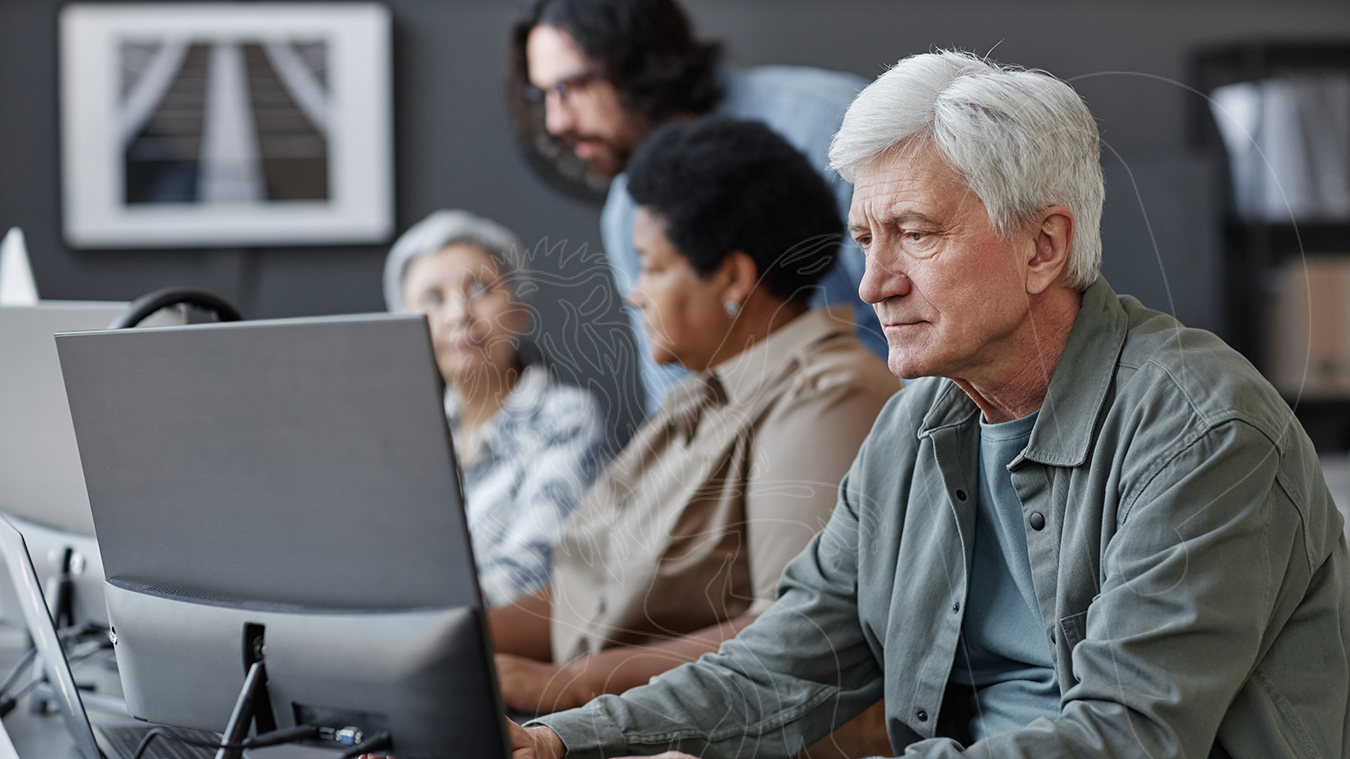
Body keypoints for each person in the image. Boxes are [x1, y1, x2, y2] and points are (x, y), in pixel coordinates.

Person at [509, 51, 1350, 759]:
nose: (874, 284)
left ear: (1043, 246)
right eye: (866, 242)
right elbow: (784, 663)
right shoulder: (913, 427)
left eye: (915, 233)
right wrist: (556, 741)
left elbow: (1123, 735)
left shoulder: (1203, 430)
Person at [489, 117, 898, 756]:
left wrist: (559, 689)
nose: (634, 295)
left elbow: (796, 637)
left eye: (650, 267)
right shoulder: (698, 396)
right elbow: (584, 592)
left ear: (733, 278)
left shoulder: (830, 395)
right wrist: (464, 641)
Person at [508, 0, 885, 416]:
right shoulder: (625, 213)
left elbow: (926, 332)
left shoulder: (829, 128)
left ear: (640, 64)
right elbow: (674, 399)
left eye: (575, 86)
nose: (555, 122)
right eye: (541, 95)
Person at [384, 210, 607, 608]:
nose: (459, 315)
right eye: (432, 299)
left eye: (481, 289)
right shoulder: (411, 431)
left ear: (520, 310)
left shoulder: (566, 417)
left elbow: (531, 575)